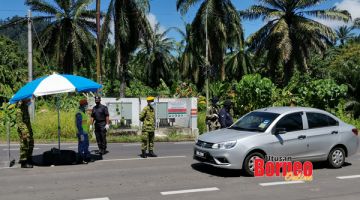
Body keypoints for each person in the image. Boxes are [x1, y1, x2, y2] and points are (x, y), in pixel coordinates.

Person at [16, 99, 34, 168]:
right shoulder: (19, 109)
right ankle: (23, 162)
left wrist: (30, 130)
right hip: (23, 130)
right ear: (24, 99)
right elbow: (19, 122)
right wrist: (24, 132)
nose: (29, 100)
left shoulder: (25, 107)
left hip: (28, 129)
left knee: (31, 143)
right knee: (24, 145)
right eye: (28, 99)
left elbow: (27, 120)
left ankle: (29, 159)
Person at [76, 99, 91, 163]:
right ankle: (81, 159)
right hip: (81, 133)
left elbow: (83, 123)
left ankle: (86, 158)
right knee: (82, 146)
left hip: (84, 132)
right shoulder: (79, 113)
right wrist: (81, 133)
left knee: (85, 145)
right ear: (82, 105)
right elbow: (79, 124)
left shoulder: (83, 112)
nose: (86, 106)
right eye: (85, 105)